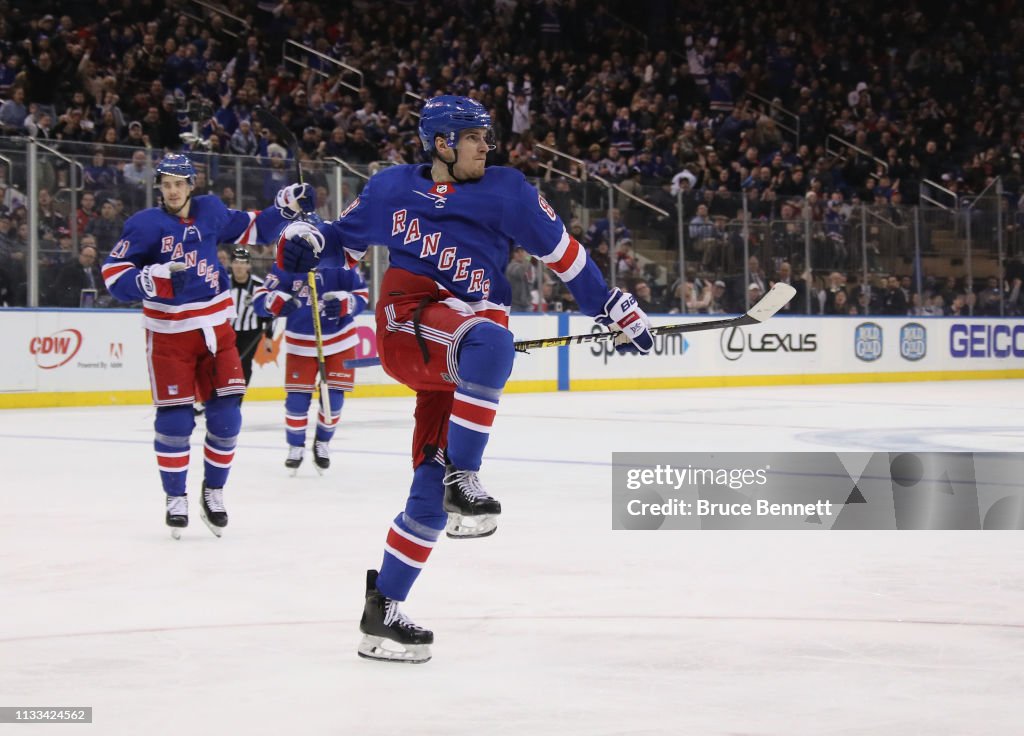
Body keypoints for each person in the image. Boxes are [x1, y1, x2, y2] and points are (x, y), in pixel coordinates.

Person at [277, 95, 654, 663]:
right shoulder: (390, 188)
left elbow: (566, 255)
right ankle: (466, 475)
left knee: (426, 492)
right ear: (441, 142)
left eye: (486, 137)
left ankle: (384, 612)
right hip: (410, 322)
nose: (487, 146)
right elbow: (340, 247)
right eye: (475, 136)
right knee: (491, 342)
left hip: (458, 346)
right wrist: (301, 241)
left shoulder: (508, 191)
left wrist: (610, 303)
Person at [101, 152, 313, 539]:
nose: (172, 190)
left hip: (216, 329)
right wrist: (150, 279)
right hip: (168, 335)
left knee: (227, 416)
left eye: (179, 183)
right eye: (166, 184)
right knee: (176, 420)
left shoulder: (211, 211)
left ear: (191, 184)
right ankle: (175, 496)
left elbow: (255, 229)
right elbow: (113, 274)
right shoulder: (146, 225)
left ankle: (213, 492)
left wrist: (287, 205)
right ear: (159, 186)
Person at [253, 232, 368, 474]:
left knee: (333, 402)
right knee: (296, 402)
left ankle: (323, 442)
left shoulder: (340, 261)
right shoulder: (286, 263)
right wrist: (274, 301)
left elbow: (362, 295)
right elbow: (261, 296)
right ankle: (295, 447)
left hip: (339, 340)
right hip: (301, 342)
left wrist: (346, 303)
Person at [226, 246, 270, 386]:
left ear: (249, 265)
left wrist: (269, 337)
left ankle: (238, 399)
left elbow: (266, 314)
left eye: (243, 262)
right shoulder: (223, 283)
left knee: (244, 364)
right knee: (224, 364)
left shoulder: (258, 286)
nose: (239, 266)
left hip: (250, 333)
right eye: (236, 262)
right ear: (231, 264)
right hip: (226, 332)